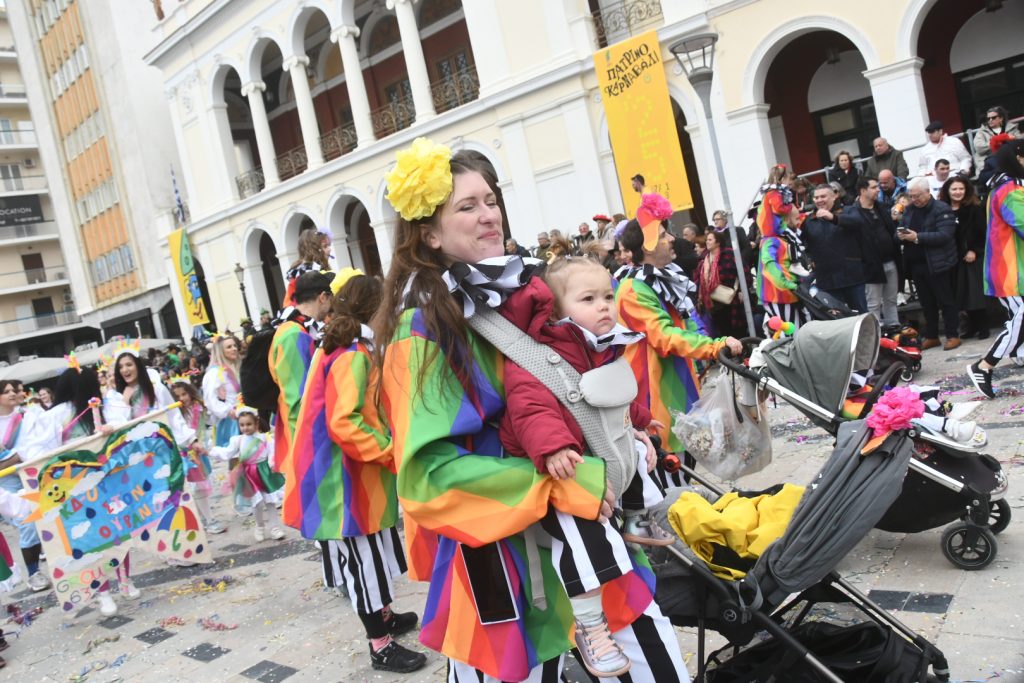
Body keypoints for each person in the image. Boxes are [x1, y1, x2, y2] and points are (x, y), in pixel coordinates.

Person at [375, 138, 688, 682]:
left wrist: (620, 434)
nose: (488, 215)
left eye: (490, 199)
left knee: (657, 667)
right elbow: (428, 478)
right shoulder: (420, 329)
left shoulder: (530, 292)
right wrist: (556, 484)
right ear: (429, 233)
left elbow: (574, 382)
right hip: (502, 566)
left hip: (587, 543)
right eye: (466, 207)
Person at [499, 257, 671, 677]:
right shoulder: (539, 356)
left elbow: (615, 396)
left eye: (608, 296)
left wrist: (642, 421)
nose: (604, 307)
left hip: (596, 456)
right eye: (589, 299)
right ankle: (591, 626)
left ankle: (636, 518)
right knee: (583, 538)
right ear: (557, 310)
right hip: (561, 466)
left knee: (641, 459)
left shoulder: (601, 348)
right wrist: (553, 446)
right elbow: (530, 408)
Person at [290, 273, 425, 673]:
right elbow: (344, 423)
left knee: (373, 556)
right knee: (363, 563)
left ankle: (383, 618)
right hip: (341, 483)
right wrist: (389, 453)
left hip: (352, 477)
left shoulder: (350, 347)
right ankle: (379, 645)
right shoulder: (350, 353)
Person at [616, 202, 742, 471]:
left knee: (687, 474)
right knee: (674, 480)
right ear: (647, 246)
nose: (672, 239)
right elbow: (665, 336)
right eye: (663, 235)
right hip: (655, 400)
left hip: (678, 388)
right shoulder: (632, 289)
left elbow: (686, 327)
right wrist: (714, 346)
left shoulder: (658, 280)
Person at [269, 270, 334, 531]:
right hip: (305, 438)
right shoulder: (293, 334)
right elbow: (298, 399)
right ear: (322, 297)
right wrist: (308, 448)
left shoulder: (292, 330)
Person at [967, 139, 1024, 398]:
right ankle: (984, 366)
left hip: (1014, 269)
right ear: (1018, 158)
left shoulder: (1006, 186)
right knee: (1022, 316)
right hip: (1009, 271)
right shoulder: (1009, 189)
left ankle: (1018, 353)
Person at [899, 177, 961, 350]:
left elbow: (944, 235)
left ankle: (952, 334)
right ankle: (932, 335)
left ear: (927, 192)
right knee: (926, 303)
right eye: (911, 196)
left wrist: (917, 237)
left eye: (917, 195)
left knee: (946, 301)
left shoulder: (941, 208)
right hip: (917, 265)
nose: (914, 199)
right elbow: (903, 228)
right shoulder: (910, 210)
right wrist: (900, 236)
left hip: (938, 263)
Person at [0, 379, 50, 593]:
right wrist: (16, 457)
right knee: (27, 522)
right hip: (6, 481)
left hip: (31, 473)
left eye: (13, 390)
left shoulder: (28, 416)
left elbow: (39, 444)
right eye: (6, 391)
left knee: (47, 515)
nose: (12, 393)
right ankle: (33, 573)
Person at [210, 406, 285, 542]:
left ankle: (275, 527)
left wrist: (272, 464)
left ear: (256, 423)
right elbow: (227, 453)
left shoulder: (265, 438)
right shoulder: (238, 440)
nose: (245, 428)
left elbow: (272, 452)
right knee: (256, 503)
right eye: (242, 425)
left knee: (270, 502)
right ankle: (259, 526)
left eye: (249, 424)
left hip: (264, 472)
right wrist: (211, 451)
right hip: (249, 475)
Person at [841, 178, 901, 328]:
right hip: (870, 265)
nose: (878, 190)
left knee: (891, 300)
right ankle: (876, 336)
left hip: (890, 260)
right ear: (863, 190)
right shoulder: (852, 212)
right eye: (874, 187)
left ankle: (894, 328)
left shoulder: (881, 207)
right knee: (873, 303)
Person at [755, 164, 808, 331]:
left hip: (789, 294)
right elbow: (770, 266)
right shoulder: (772, 241)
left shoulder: (784, 238)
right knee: (789, 333)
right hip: (778, 295)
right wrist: (789, 284)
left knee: (796, 330)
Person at [170, 378, 225, 535]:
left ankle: (204, 520)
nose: (182, 399)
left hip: (199, 453)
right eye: (177, 396)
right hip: (186, 456)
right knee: (197, 489)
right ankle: (208, 520)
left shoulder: (198, 408)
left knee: (201, 488)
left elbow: (211, 420)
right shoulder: (175, 416)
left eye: (184, 394)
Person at [801, 184, 868, 312]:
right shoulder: (809, 220)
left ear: (834, 197)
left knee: (861, 316)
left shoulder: (848, 210)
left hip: (852, 278)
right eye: (816, 198)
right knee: (837, 320)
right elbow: (803, 243)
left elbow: (858, 222)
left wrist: (833, 218)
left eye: (823, 196)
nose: (819, 200)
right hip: (827, 281)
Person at [940, 176, 989, 340]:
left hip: (971, 256)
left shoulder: (974, 208)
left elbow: (983, 232)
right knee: (961, 294)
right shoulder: (943, 209)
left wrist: (974, 250)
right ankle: (972, 326)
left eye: (961, 189)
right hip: (953, 257)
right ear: (948, 191)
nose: (958, 192)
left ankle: (983, 326)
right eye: (954, 189)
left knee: (974, 294)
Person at [696, 228, 747, 337]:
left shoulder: (728, 254)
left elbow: (743, 271)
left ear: (718, 242)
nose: (707, 242)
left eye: (710, 240)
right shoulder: (705, 259)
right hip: (713, 303)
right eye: (707, 240)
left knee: (737, 331)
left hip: (731, 299)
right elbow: (700, 280)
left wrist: (742, 290)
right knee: (722, 332)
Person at [202, 335, 242, 448]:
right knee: (235, 458)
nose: (234, 349)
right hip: (230, 422)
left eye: (235, 345)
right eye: (229, 347)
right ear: (220, 351)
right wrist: (229, 411)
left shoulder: (236, 369)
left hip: (244, 417)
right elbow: (210, 400)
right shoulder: (214, 374)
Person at [283, 228, 330, 307]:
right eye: (325, 246)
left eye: (328, 245)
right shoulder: (306, 274)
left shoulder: (315, 269)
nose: (329, 249)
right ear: (313, 249)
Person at [973, 106, 1020, 174]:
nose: (990, 120)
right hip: (990, 161)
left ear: (1001, 118)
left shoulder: (1011, 128)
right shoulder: (982, 132)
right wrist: (994, 142)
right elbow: (978, 147)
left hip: (1011, 159)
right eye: (988, 118)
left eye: (993, 118)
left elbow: (1019, 141)